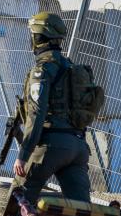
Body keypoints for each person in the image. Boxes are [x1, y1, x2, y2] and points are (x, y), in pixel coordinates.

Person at [11, 12, 91, 205]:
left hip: (51, 146)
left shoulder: (42, 70)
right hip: (78, 147)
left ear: (38, 37)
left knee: (17, 202)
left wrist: (23, 155)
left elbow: (36, 114)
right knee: (81, 211)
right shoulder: (71, 68)